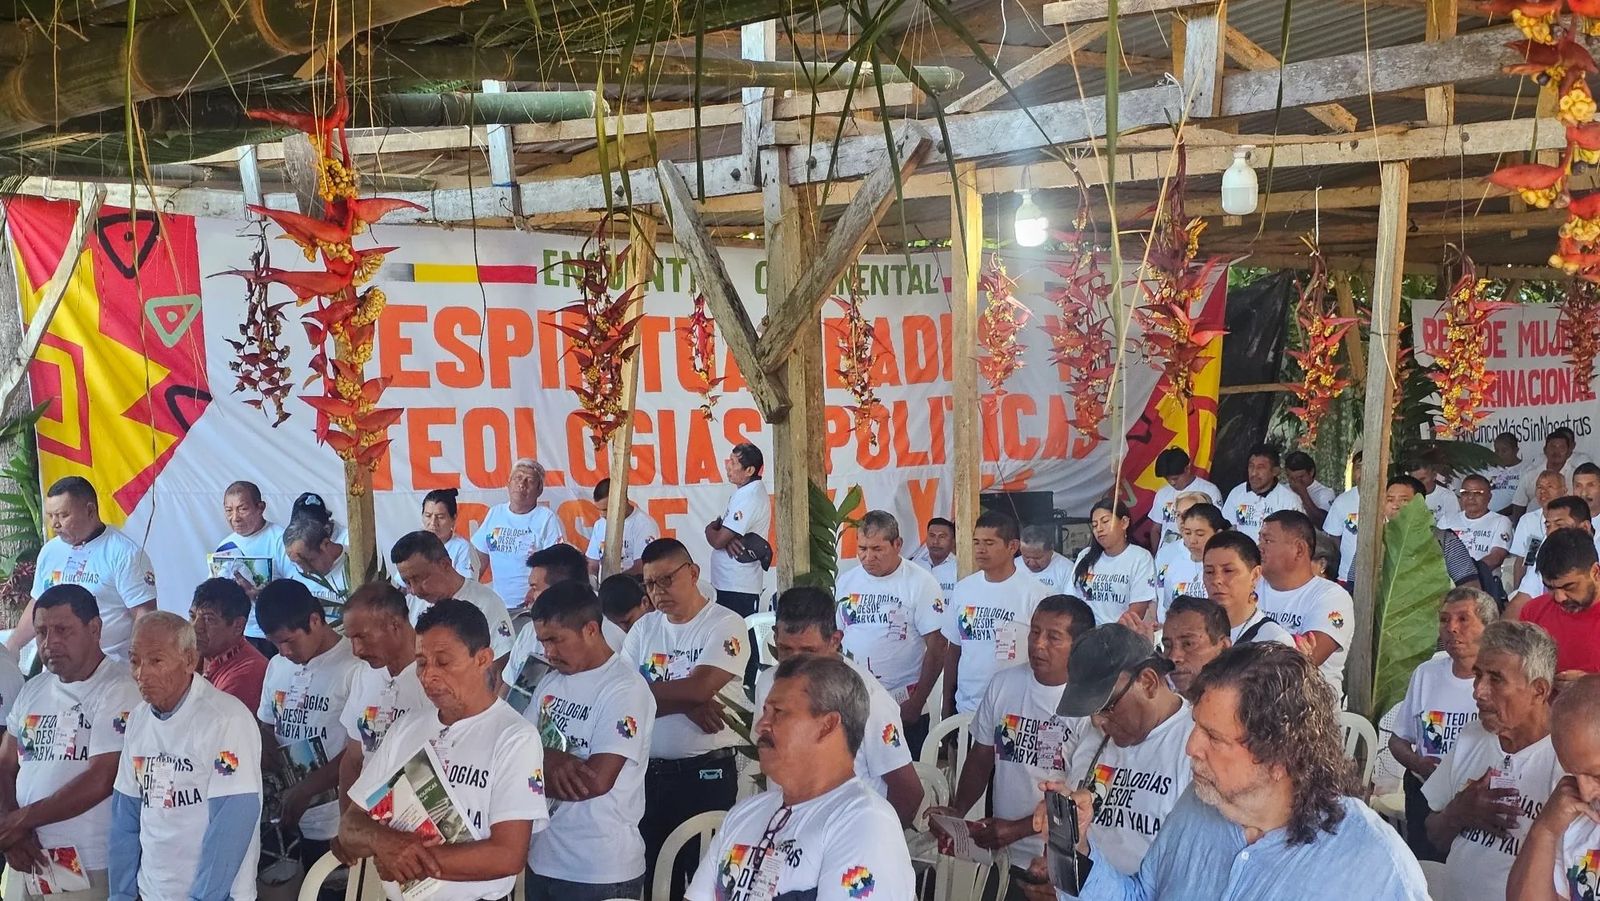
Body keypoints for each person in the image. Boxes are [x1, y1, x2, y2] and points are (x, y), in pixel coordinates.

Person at [1043, 642, 1429, 900]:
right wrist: (1074, 848)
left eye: (1213, 736)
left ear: (1278, 755)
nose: (1192, 747)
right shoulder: (1198, 806)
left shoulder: (1374, 863)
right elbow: (1143, 895)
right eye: (1196, 726)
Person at [340, 600, 549, 901]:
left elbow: (508, 856)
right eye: (422, 662)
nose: (428, 676)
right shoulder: (406, 729)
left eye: (443, 661)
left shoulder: (514, 737)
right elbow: (350, 824)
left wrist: (406, 861)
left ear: (483, 659)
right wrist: (384, 841)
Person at [685, 656, 915, 901]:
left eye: (778, 713)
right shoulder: (745, 814)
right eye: (765, 711)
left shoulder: (866, 823)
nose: (761, 725)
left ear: (827, 725)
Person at [930, 596, 1095, 897]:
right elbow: (981, 758)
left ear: (1081, 645)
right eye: (1034, 632)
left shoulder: (1089, 707)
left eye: (1053, 637)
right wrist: (958, 810)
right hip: (1001, 851)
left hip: (1055, 859)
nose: (1038, 644)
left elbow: (1079, 797)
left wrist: (1016, 829)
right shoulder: (1004, 684)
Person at [622, 538, 751, 891]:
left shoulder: (726, 623)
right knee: (651, 881)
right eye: (649, 583)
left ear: (693, 573)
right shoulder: (644, 629)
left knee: (702, 882)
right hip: (650, 776)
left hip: (705, 774)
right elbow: (621, 699)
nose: (657, 591)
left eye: (666, 579)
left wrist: (692, 696)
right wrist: (689, 702)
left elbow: (699, 687)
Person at [0, 585, 140, 901]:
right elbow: (5, 763)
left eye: (63, 630)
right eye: (41, 632)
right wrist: (11, 832)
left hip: (85, 862)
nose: (50, 643)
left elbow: (102, 778)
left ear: (95, 629)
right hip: (25, 859)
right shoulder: (33, 688)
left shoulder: (120, 689)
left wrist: (18, 823)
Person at [110, 613, 263, 901]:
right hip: (152, 890)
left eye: (156, 661)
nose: (142, 673)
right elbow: (125, 815)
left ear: (190, 660)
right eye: (134, 660)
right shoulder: (139, 719)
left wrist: (204, 898)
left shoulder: (225, 719)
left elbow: (234, 818)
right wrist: (121, 893)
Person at [524, 580, 656, 901]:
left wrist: (528, 772)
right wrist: (552, 759)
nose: (549, 652)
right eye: (543, 642)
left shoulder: (625, 688)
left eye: (556, 640)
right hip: (541, 859)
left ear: (591, 630)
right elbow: (510, 751)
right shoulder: (546, 679)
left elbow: (593, 782)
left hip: (600, 870)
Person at [1423, 621, 1563, 901]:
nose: (1478, 691)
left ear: (1539, 690)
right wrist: (1459, 812)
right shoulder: (1471, 737)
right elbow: (1434, 836)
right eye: (1478, 675)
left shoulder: (1567, 757)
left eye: (1496, 679)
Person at [756, 586, 921, 823]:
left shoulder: (868, 698)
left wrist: (874, 846)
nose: (795, 661)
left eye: (808, 651)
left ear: (835, 641)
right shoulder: (767, 683)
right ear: (774, 636)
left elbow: (909, 792)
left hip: (848, 835)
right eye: (785, 649)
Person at [1054, 624, 1194, 878]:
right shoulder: (1093, 738)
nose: (1097, 722)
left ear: (1149, 683)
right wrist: (1060, 878)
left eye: (1107, 706)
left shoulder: (1195, 747)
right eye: (1091, 711)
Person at [255, 579, 362, 869]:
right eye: (275, 643)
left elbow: (360, 749)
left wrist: (306, 789)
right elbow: (266, 723)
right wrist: (270, 755)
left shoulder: (355, 668)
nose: (284, 651)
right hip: (284, 813)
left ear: (315, 621)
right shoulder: (277, 666)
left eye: (289, 640)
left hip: (334, 820)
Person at [1390, 587, 1498, 862]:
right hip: (1424, 792)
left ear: (1489, 627)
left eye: (1463, 619)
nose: (1451, 628)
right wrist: (1419, 764)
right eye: (1444, 620)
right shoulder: (1426, 673)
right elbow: (1398, 740)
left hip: (1477, 797)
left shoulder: (1499, 683)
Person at [833, 510, 947, 752]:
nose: (867, 557)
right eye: (862, 548)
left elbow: (937, 647)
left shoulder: (921, 583)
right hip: (855, 703)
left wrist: (916, 703)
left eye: (877, 549)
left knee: (905, 783)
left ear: (898, 545)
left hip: (903, 703)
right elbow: (838, 639)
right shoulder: (846, 581)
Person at [7, 477, 156, 661]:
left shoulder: (125, 553)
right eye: (51, 516)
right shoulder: (50, 551)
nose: (55, 524)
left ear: (90, 510)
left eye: (63, 515)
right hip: (56, 669)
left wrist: (138, 662)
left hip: (109, 670)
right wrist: (12, 646)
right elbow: (38, 602)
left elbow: (145, 616)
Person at [943, 510, 1050, 716]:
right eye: (976, 542)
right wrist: (947, 705)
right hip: (967, 709)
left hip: (1016, 710)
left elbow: (1045, 654)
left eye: (989, 543)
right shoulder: (963, 589)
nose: (980, 550)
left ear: (1012, 547)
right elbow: (954, 650)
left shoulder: (1036, 594)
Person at [334, 583, 429, 811]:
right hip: (368, 816)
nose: (356, 650)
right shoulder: (363, 675)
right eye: (351, 639)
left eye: (362, 637)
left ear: (395, 625)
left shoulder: (434, 678)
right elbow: (353, 758)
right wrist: (348, 824)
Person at [1505, 674, 1600, 900]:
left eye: (1596, 775)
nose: (1584, 792)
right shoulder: (1576, 816)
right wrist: (1545, 830)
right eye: (1573, 773)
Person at [505, 544, 626, 709]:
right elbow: (508, 689)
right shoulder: (529, 631)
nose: (528, 596)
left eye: (534, 588)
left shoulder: (613, 641)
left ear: (560, 590)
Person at [1255, 510, 1356, 694]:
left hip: (1310, 714)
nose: (1259, 547)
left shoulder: (1332, 597)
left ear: (1299, 549)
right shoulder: (1249, 585)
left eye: (1267, 541)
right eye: (1260, 539)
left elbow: (1302, 662)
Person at [390, 531, 513, 669]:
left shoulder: (486, 604)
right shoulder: (411, 603)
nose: (415, 590)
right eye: (407, 582)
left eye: (419, 578)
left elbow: (500, 667)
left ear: (445, 564)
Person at [211, 480, 294, 651]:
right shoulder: (225, 546)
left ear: (260, 507)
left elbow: (296, 587)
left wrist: (264, 595)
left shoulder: (281, 539)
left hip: (274, 632)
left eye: (242, 509)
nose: (235, 518)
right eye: (229, 510)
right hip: (239, 633)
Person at [471, 458, 565, 607]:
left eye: (530, 481)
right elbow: (480, 557)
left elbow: (555, 565)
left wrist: (536, 592)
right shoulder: (496, 513)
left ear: (539, 489)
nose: (522, 484)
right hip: (499, 605)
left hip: (533, 605)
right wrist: (468, 589)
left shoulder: (546, 518)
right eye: (518, 478)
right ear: (508, 483)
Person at [1520, 527, 1600, 678]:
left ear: (1595, 572)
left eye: (1569, 586)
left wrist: (1590, 685)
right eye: (1549, 587)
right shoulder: (1533, 611)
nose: (1559, 598)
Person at [703, 442, 770, 620]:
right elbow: (725, 537)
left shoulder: (750, 496)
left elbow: (718, 540)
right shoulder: (745, 492)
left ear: (749, 471)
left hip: (738, 587)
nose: (728, 466)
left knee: (736, 643)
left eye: (733, 463)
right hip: (729, 584)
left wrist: (710, 529)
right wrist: (726, 535)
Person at [1200, 531, 1295, 647]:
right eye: (1209, 572)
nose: (1216, 580)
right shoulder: (1192, 632)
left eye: (1228, 571)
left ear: (1255, 575)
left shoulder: (1273, 640)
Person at [1386, 475, 1483, 589]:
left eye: (1404, 500)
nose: (1395, 506)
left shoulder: (1444, 541)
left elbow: (1470, 589)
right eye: (1389, 500)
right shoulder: (1375, 541)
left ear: (1420, 503)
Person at [1073, 499, 1157, 625]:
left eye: (1105, 521)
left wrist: (1112, 635)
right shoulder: (1085, 555)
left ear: (1124, 522)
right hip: (1087, 634)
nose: (1099, 529)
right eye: (1094, 525)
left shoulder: (1140, 557)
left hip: (1122, 635)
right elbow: (1073, 601)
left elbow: (1137, 610)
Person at [190, 578, 267, 711]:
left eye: (208, 619)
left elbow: (207, 725)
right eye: (192, 616)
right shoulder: (194, 655)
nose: (196, 627)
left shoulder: (248, 673)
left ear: (238, 626)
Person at [1154, 502, 1222, 624]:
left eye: (1200, 534)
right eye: (1187, 533)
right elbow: (1169, 608)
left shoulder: (1227, 568)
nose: (1192, 540)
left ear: (1218, 534)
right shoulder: (1175, 566)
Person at [1220, 444, 1304, 542]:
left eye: (1261, 467)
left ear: (1275, 471)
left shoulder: (1289, 500)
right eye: (1251, 466)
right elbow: (1227, 528)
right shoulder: (1237, 493)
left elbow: (1296, 536)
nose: (1254, 473)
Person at [283, 493, 351, 606]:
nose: (306, 571)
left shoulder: (359, 564)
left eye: (309, 561)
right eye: (298, 564)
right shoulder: (299, 574)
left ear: (325, 544)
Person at [586, 478, 661, 579]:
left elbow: (642, 567)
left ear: (622, 501)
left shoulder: (644, 524)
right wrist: (591, 580)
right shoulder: (600, 525)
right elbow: (592, 563)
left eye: (606, 509)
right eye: (599, 510)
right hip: (606, 589)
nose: (602, 514)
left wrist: (614, 581)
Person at [1512, 427, 1591, 519]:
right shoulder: (1530, 475)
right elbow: (1519, 505)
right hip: (1534, 524)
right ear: (1545, 450)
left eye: (1561, 447)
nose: (1556, 451)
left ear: (1569, 452)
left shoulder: (1575, 476)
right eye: (1553, 447)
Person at [1440, 474, 1514, 571]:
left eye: (1478, 493)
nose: (1471, 497)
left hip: (1480, 579)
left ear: (1489, 497)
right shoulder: (1446, 521)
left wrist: (1467, 573)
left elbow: (1496, 557)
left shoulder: (1500, 521)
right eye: (1465, 493)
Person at [1151, 447, 1222, 548]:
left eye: (1175, 478)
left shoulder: (1209, 491)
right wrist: (1156, 555)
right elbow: (1156, 529)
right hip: (1167, 554)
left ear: (1187, 468)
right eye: (1167, 479)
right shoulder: (1162, 493)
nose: (1172, 483)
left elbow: (1216, 527)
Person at [1162, 595, 1232, 697]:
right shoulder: (1160, 710)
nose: (1173, 658)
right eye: (1167, 646)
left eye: (1188, 644)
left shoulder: (1252, 708)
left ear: (1223, 648)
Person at [1514, 471, 1570, 586]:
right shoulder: (1528, 520)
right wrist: (1516, 590)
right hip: (1533, 584)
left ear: (1564, 491)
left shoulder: (1573, 518)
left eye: (1550, 486)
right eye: (1539, 487)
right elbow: (1524, 560)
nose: (1543, 491)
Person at [1321, 451, 1363, 586]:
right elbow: (1333, 537)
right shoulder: (1343, 501)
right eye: (1359, 467)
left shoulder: (1390, 498)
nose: (1363, 472)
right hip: (1347, 577)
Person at [421, 488, 478, 580]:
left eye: (440, 517)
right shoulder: (415, 545)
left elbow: (466, 587)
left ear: (453, 519)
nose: (433, 522)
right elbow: (401, 585)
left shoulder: (463, 548)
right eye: (428, 516)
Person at [911, 516, 959, 608]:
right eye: (932, 535)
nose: (936, 542)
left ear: (953, 542)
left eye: (942, 537)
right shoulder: (916, 566)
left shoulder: (959, 568)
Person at [1284, 450, 1336, 527]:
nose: (1296, 482)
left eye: (1300, 477)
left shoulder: (1325, 493)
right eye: (1291, 478)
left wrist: (1303, 493)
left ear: (1311, 472)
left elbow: (1324, 523)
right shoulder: (1283, 490)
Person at [1020, 525, 1076, 592]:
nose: (1031, 563)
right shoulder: (1013, 565)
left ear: (1051, 550)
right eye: (1026, 557)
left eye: (1037, 558)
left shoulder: (1067, 569)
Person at [1481, 431, 1524, 514]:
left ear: (1516, 450)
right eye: (1497, 451)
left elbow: (1521, 502)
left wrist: (1498, 515)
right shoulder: (1489, 471)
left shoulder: (1526, 470)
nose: (1500, 454)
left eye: (1504, 451)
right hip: (1486, 518)